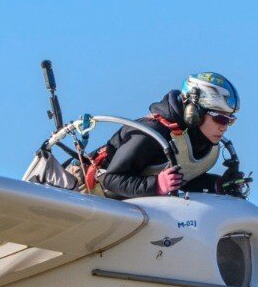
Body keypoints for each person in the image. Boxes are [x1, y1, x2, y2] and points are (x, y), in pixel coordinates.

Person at [95, 72, 242, 199]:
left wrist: (218, 184)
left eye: (230, 120)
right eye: (220, 118)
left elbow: (182, 180)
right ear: (195, 113)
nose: (224, 127)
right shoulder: (152, 134)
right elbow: (111, 179)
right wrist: (156, 185)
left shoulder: (195, 138)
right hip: (91, 198)